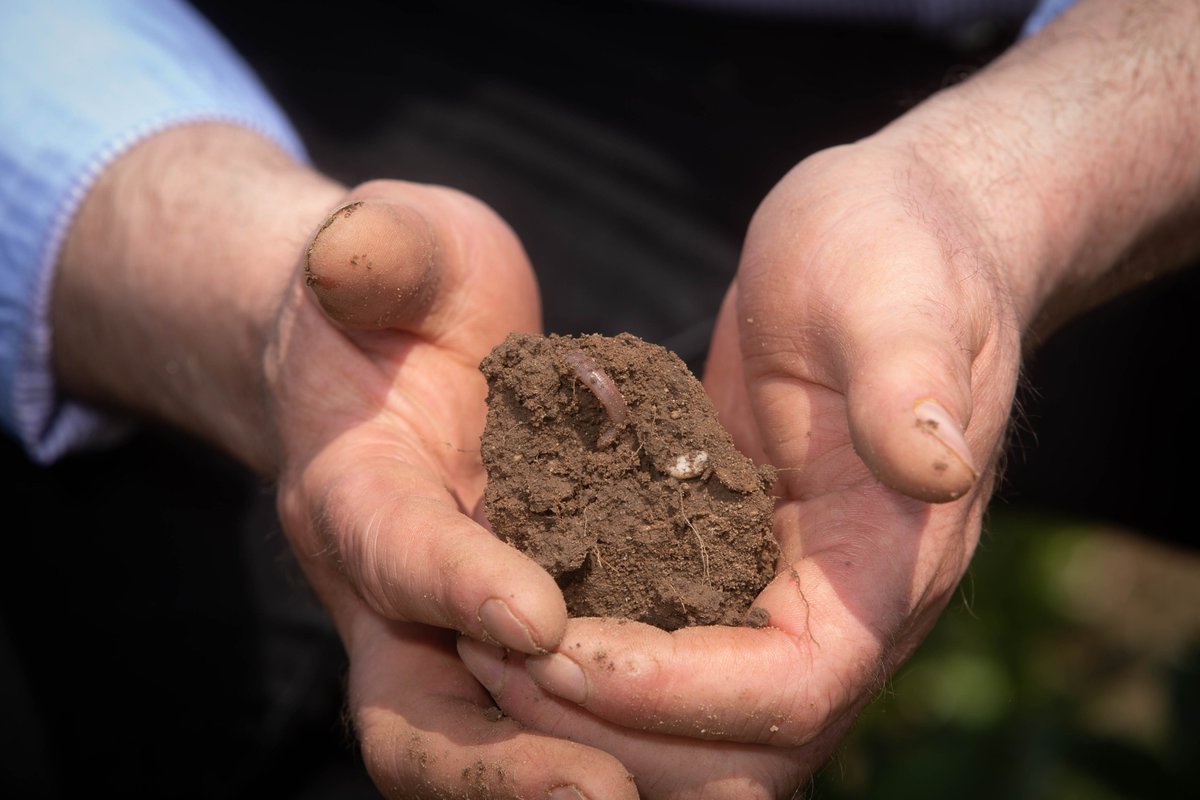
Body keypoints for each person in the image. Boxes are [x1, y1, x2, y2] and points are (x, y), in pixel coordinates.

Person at [2, 0, 1196, 798]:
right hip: (481, 48)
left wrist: (1005, 190)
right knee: (222, 622)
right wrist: (249, 288)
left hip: (1111, 64)